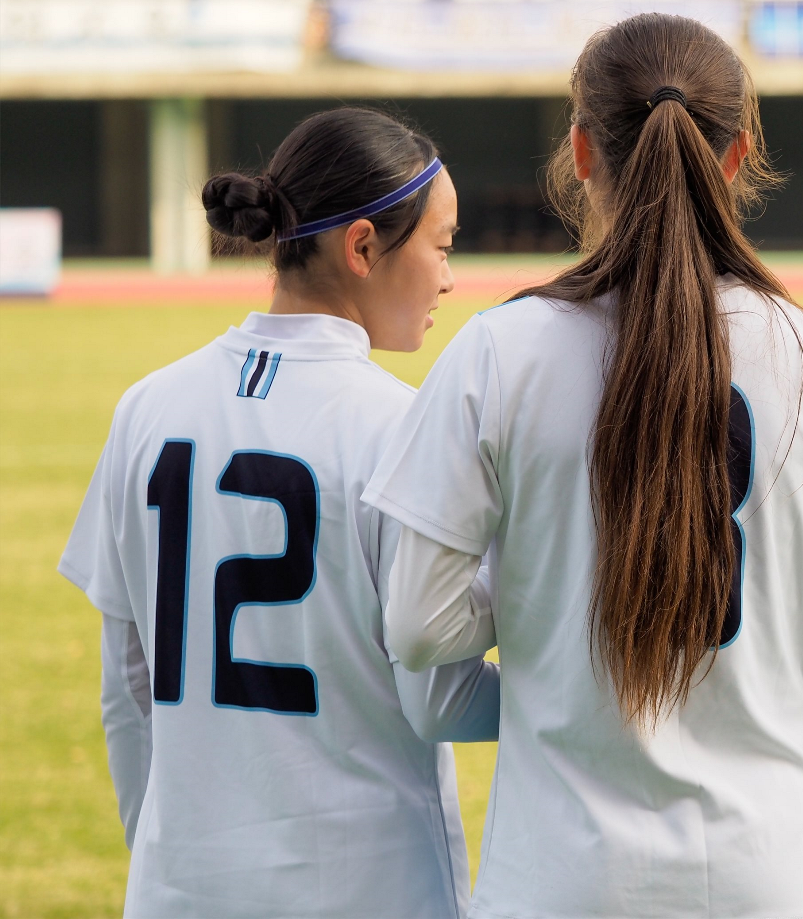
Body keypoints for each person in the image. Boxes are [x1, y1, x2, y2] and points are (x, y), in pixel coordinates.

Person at [361, 13, 803, 918]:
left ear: (579, 150)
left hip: (560, 883)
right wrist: (785, 582)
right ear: (738, 155)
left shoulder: (499, 351)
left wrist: (549, 590)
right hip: (775, 881)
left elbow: (417, 626)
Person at [58, 108, 499, 919]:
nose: (448, 278)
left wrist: (158, 851)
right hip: (371, 886)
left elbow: (127, 683)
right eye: (442, 244)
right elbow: (439, 697)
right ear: (363, 247)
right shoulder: (405, 428)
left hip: (179, 888)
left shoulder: (147, 407)